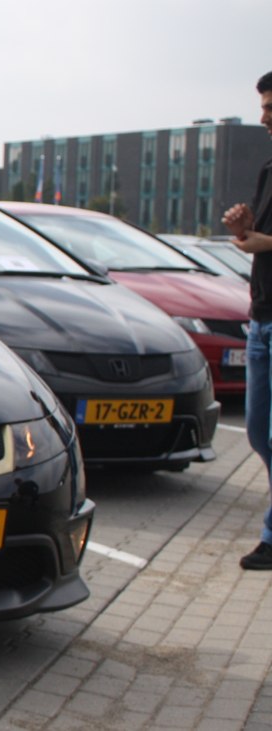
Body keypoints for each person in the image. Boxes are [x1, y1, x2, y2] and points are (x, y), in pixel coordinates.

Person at [223, 69, 272, 571]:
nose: (264, 118)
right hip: (261, 319)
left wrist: (265, 243)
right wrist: (245, 229)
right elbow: (257, 240)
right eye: (262, 108)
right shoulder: (268, 170)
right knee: (258, 435)